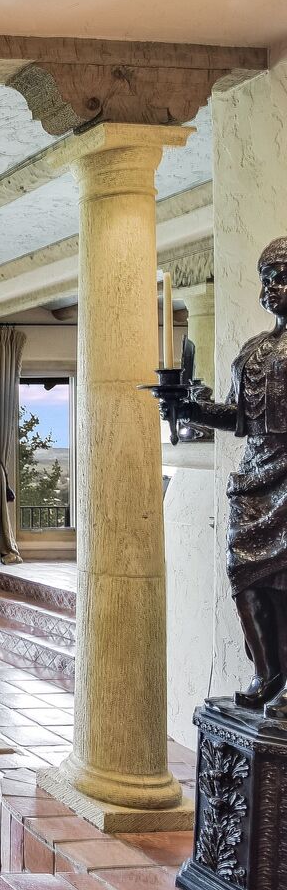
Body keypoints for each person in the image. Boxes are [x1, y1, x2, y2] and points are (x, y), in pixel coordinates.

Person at [172, 236, 287, 717]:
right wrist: (191, 409)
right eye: (266, 280)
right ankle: (269, 672)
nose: (272, 288)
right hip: (257, 475)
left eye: (281, 278)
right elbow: (238, 416)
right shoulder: (255, 350)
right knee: (244, 571)